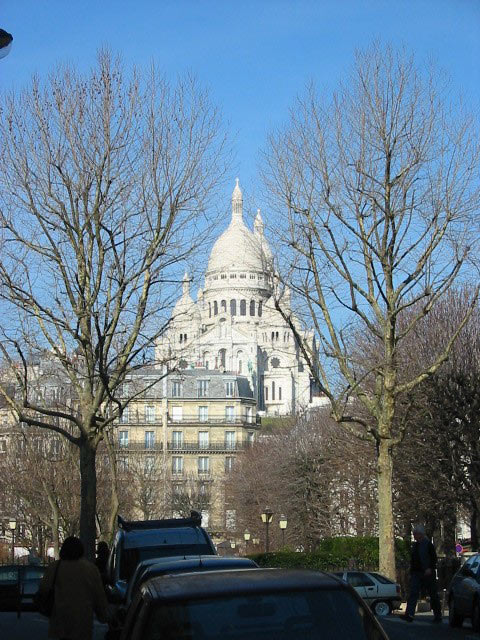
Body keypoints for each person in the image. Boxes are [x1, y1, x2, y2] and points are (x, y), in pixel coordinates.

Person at [37, 536, 108, 640]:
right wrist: (103, 616)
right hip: (83, 623)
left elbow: (44, 589)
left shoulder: (55, 567)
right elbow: (99, 595)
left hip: (60, 621)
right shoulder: (91, 569)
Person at [402, 524, 442, 623]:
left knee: (433, 594)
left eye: (415, 534)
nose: (414, 536)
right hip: (417, 572)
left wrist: (430, 568)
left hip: (427, 572)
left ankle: (438, 616)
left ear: (420, 534)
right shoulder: (415, 545)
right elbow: (413, 560)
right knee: (413, 593)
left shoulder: (428, 545)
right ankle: (409, 614)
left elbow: (433, 558)